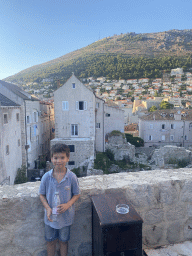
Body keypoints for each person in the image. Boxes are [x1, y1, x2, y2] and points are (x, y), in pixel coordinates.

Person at [39, 143, 80, 256]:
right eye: (56, 158)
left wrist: (68, 204)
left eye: (62, 157)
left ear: (68, 158)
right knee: (50, 242)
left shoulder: (71, 177)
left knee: (63, 241)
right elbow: (41, 194)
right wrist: (47, 208)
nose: (59, 161)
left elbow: (77, 194)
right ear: (51, 158)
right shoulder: (46, 177)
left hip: (65, 218)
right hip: (50, 218)